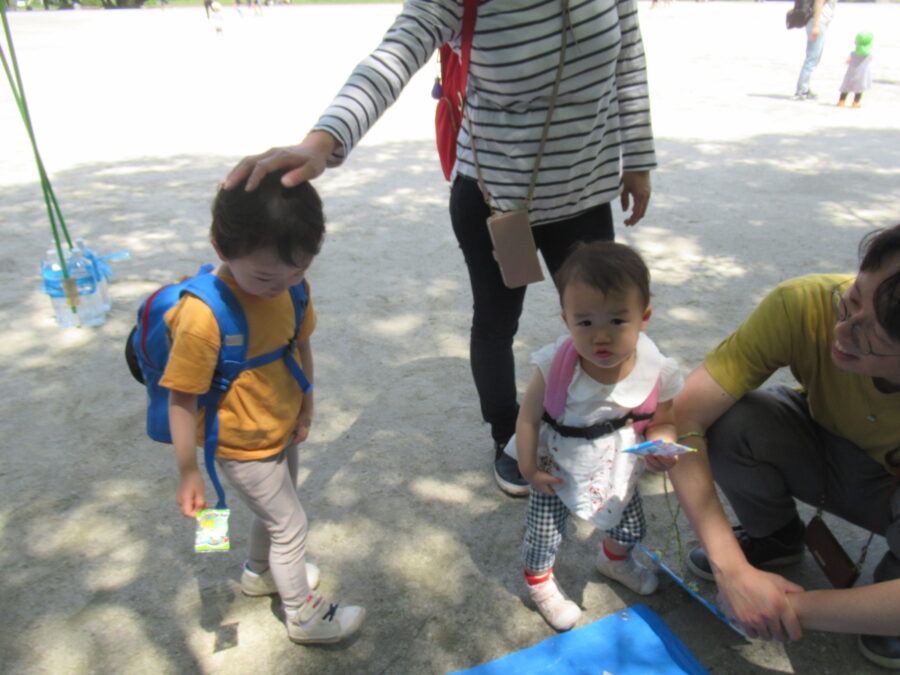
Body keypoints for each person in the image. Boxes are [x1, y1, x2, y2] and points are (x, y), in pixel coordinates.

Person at [223, 0, 657, 497]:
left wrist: (637, 159)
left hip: (585, 193)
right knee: (496, 321)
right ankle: (507, 436)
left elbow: (629, 60)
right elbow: (392, 57)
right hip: (496, 199)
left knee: (607, 316)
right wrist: (322, 141)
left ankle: (607, 424)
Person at [670, 224, 900, 667]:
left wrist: (785, 608)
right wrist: (732, 569)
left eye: (870, 337)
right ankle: (774, 537)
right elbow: (683, 419)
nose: (843, 331)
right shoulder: (803, 303)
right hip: (824, 447)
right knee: (733, 420)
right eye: (851, 300)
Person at [163, 172, 365, 645]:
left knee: (276, 511)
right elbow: (181, 396)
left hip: (280, 423)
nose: (282, 285)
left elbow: (300, 344)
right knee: (290, 523)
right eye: (264, 277)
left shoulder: (293, 287)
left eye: (297, 271)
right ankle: (303, 616)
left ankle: (260, 573)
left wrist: (306, 408)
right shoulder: (203, 316)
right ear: (221, 248)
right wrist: (188, 469)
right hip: (239, 443)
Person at [511, 242, 682, 631]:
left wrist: (662, 446)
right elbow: (528, 418)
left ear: (644, 318)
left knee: (630, 526)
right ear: (566, 320)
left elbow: (664, 418)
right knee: (545, 534)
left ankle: (614, 559)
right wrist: (528, 468)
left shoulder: (657, 369)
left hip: (616, 464)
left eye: (617, 321)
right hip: (556, 463)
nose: (600, 337)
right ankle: (540, 582)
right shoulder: (555, 365)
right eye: (585, 323)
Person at [794, 0, 837, 100]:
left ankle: (804, 88)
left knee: (814, 58)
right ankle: (801, 90)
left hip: (820, 23)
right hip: (818, 23)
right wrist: (816, 26)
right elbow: (819, 3)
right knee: (812, 58)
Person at [837, 31, 873, 108]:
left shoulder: (852, 53)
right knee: (859, 89)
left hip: (851, 74)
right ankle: (855, 102)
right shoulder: (869, 55)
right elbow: (870, 60)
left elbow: (848, 61)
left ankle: (841, 101)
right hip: (862, 75)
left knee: (846, 88)